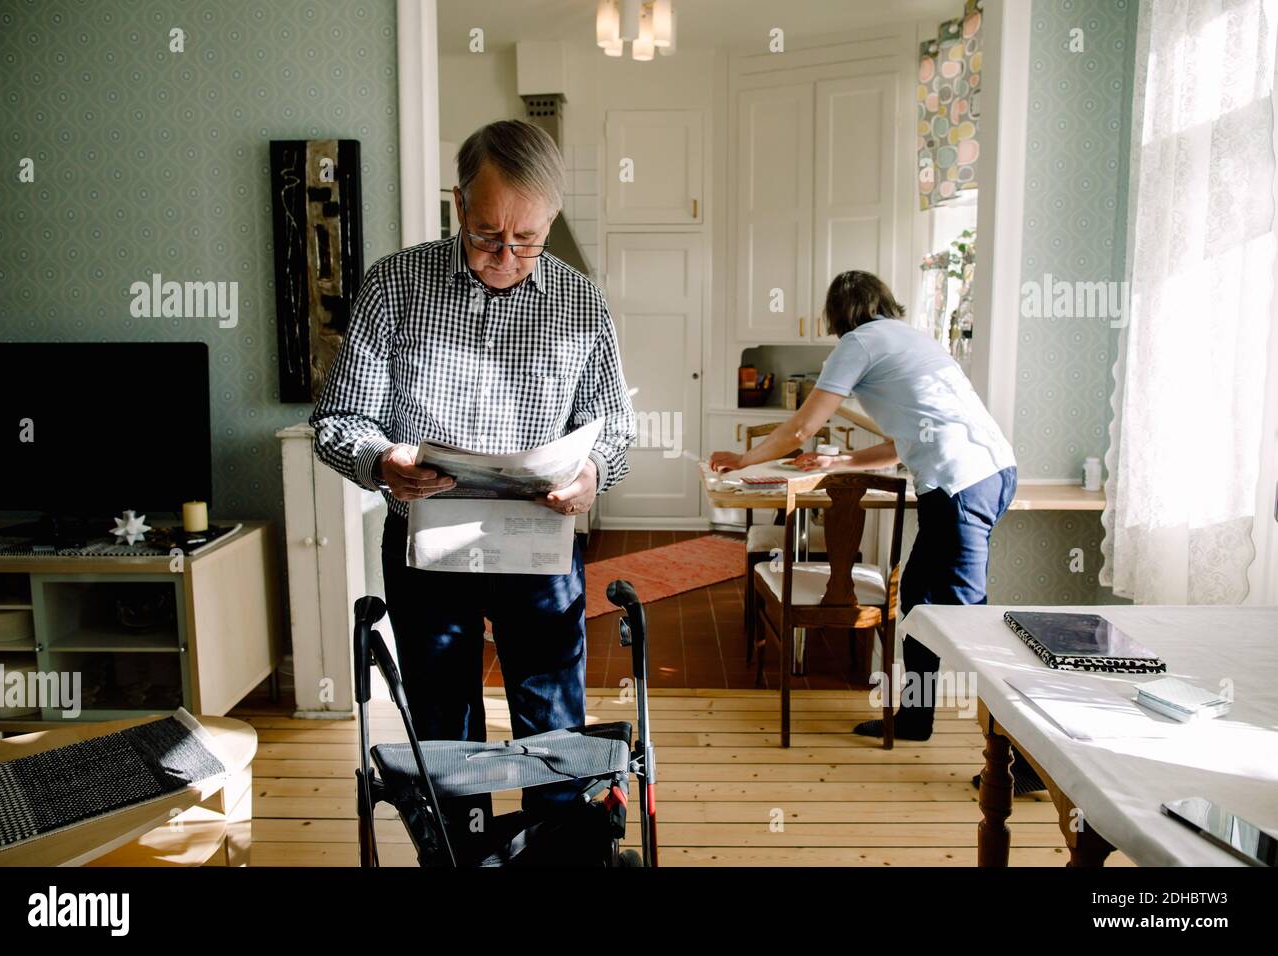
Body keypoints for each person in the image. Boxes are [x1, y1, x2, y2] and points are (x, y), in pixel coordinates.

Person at [310, 120, 637, 855]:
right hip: (428, 543)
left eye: (528, 239)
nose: (506, 256)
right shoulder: (394, 283)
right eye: (489, 233)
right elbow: (337, 418)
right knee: (442, 723)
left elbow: (615, 427)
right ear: (459, 204)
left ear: (552, 218)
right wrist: (381, 460)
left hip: (540, 543)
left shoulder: (582, 304)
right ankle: (460, 856)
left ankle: (561, 856)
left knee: (552, 718)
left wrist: (592, 474)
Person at [710, 271, 1028, 767]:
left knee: (971, 626)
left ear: (835, 314)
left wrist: (744, 460)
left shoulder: (858, 343)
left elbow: (802, 427)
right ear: (883, 302)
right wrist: (840, 463)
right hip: (987, 475)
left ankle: (1024, 758)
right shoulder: (910, 340)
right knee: (920, 602)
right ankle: (915, 719)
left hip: (961, 488)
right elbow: (908, 438)